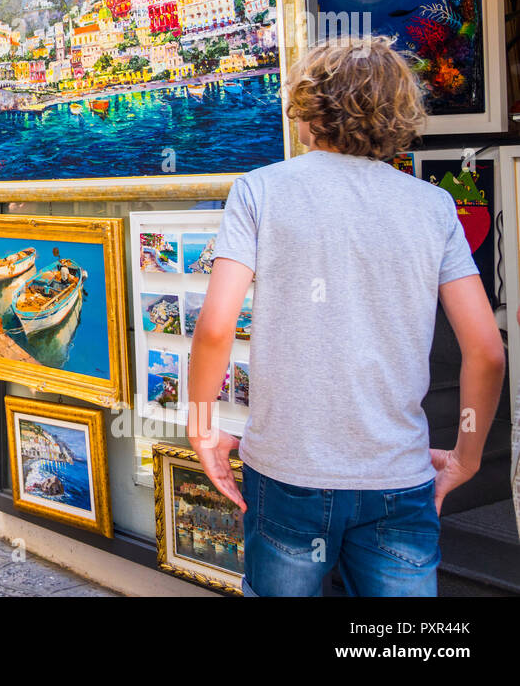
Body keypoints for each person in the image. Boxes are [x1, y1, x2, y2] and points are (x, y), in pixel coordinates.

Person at [188, 36, 505, 597]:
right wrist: (467, 455)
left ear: (307, 110)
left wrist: (203, 425)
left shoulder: (260, 191)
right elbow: (486, 351)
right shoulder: (431, 206)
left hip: (287, 472)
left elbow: (214, 328)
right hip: (397, 477)